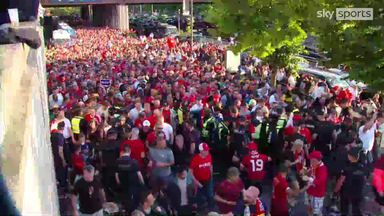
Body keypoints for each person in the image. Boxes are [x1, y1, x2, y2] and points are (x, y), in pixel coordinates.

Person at [334, 147, 366, 216]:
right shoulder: (363, 167)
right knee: (356, 209)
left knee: (345, 210)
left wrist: (336, 191)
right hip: (358, 192)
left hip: (346, 192)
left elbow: (340, 181)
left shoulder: (347, 168)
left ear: (350, 156)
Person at [115, 145, 145, 213]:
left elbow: (116, 174)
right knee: (132, 199)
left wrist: (118, 183)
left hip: (123, 183)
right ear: (130, 151)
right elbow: (139, 174)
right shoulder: (133, 162)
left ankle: (125, 209)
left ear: (122, 152)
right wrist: (142, 183)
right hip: (132, 184)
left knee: (124, 197)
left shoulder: (118, 161)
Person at [303, 151, 328, 216]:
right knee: (309, 207)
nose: (310, 162)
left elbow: (320, 181)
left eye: (312, 160)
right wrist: (306, 173)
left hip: (317, 194)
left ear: (316, 160)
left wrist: (308, 178)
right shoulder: (313, 166)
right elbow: (309, 174)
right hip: (309, 191)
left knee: (317, 212)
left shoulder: (323, 169)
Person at [190, 143, 214, 209]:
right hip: (199, 181)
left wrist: (211, 175)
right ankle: (199, 209)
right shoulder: (195, 159)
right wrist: (195, 181)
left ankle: (211, 209)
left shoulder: (209, 156)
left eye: (207, 150)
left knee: (210, 194)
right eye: (205, 150)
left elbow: (211, 166)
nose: (207, 151)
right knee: (199, 195)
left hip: (208, 179)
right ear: (201, 151)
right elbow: (190, 171)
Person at [51, 121, 67, 189]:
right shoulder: (60, 137)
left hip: (53, 157)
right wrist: (63, 160)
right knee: (61, 174)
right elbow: (60, 150)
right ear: (63, 128)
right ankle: (61, 187)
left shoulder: (53, 135)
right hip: (58, 159)